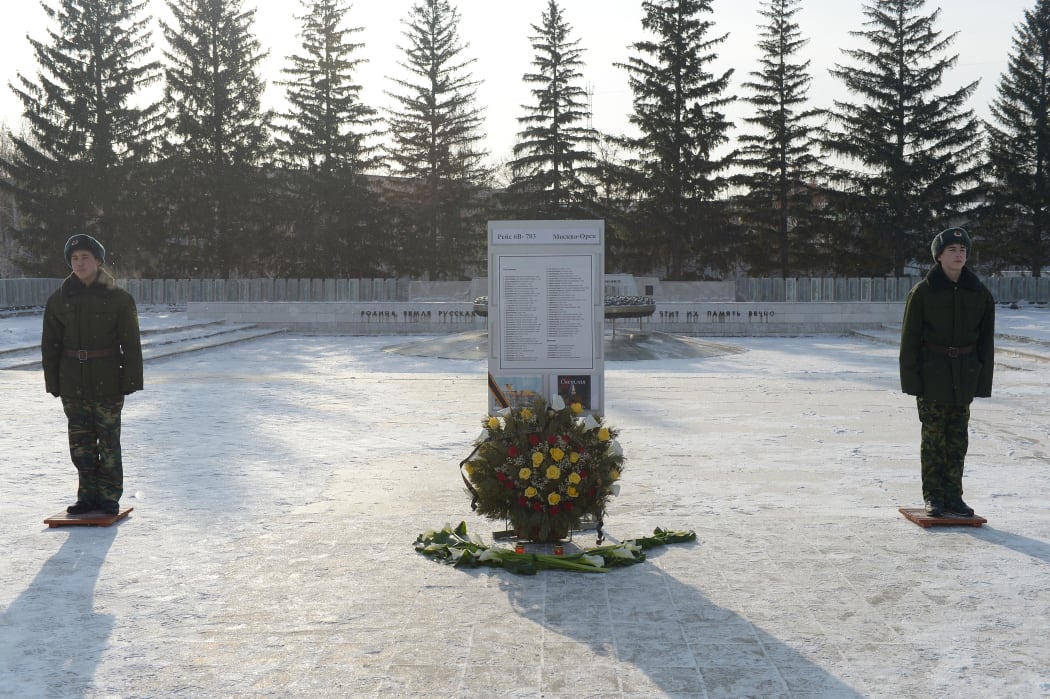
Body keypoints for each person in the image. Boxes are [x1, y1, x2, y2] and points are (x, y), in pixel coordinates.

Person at [41, 234, 143, 515]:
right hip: (73, 381)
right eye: (74, 258)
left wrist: (131, 380)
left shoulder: (119, 299)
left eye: (85, 257)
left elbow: (131, 343)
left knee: (108, 441)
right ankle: (86, 496)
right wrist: (53, 381)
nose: (79, 262)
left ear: (98, 260)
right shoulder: (59, 300)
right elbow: (50, 344)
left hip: (108, 379)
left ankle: (109, 495)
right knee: (81, 443)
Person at [899, 227, 995, 517]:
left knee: (958, 440)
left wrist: (981, 382)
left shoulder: (979, 293)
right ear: (939, 256)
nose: (959, 255)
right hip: (933, 376)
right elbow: (910, 340)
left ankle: (954, 496)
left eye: (963, 250)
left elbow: (985, 342)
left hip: (964, 376)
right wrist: (912, 382)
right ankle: (934, 496)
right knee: (933, 440)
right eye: (952, 250)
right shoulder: (924, 292)